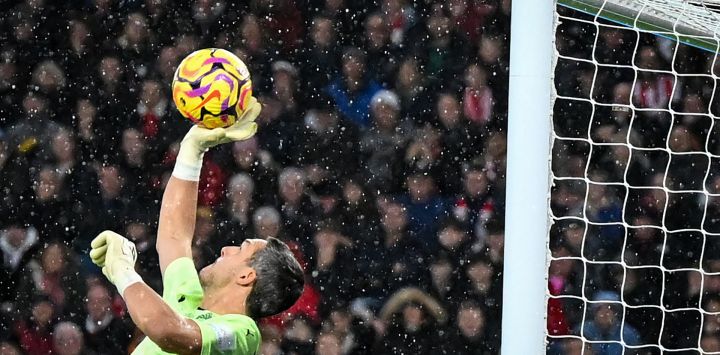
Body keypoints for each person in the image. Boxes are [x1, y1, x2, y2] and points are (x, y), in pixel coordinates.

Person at [89, 97, 305, 354]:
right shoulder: (188, 299)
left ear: (246, 276)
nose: (226, 249)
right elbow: (174, 237)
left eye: (240, 249)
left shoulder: (243, 334)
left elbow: (167, 331)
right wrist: (192, 151)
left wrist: (122, 271)